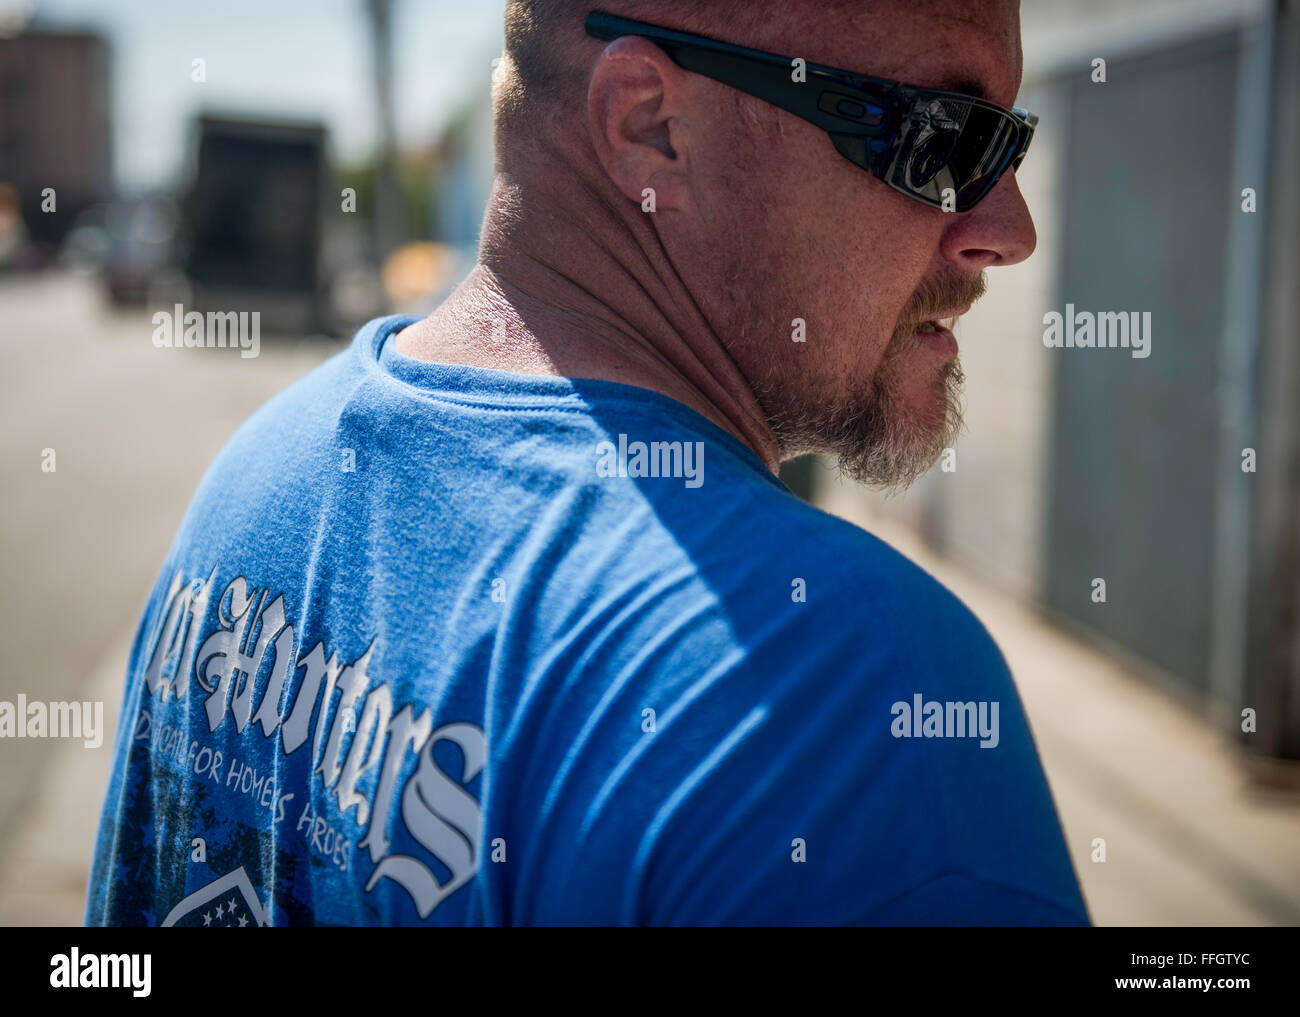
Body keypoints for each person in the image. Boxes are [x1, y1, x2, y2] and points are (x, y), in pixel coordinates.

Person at [87, 0, 1089, 925]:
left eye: (1009, 144)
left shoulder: (261, 477)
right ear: (651, 127)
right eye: (942, 141)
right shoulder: (853, 701)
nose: (1007, 231)